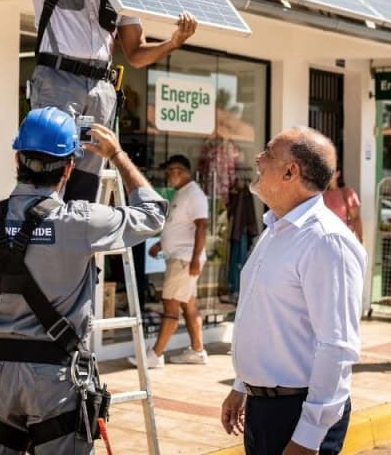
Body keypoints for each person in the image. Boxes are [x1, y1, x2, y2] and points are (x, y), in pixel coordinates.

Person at [0, 107, 166, 453]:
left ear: (17, 158)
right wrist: (116, 154)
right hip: (56, 380)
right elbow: (153, 213)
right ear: (68, 168)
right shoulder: (81, 222)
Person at [1, 0, 198, 202]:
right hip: (59, 82)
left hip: (99, 90)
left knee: (85, 176)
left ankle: (79, 229)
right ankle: (39, 226)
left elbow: (136, 53)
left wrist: (173, 42)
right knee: (50, 162)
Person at [220, 128, 367, 455]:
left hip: (297, 413)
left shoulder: (326, 241)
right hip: (264, 409)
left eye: (268, 153)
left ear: (291, 171)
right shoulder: (276, 229)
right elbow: (266, 320)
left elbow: (338, 348)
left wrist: (308, 437)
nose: (258, 159)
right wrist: (242, 386)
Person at [131, 155, 208, 368]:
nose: (167, 176)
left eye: (169, 171)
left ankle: (155, 355)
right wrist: (160, 245)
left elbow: (202, 227)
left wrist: (194, 260)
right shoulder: (182, 193)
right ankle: (197, 351)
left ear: (179, 171)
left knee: (170, 305)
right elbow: (180, 227)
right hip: (182, 258)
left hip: (184, 260)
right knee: (188, 305)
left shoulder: (194, 194)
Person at [322, 167, 363, 243]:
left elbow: (355, 218)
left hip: (343, 239)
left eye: (330, 171)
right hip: (325, 240)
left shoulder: (347, 193)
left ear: (338, 173)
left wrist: (361, 241)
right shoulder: (319, 196)